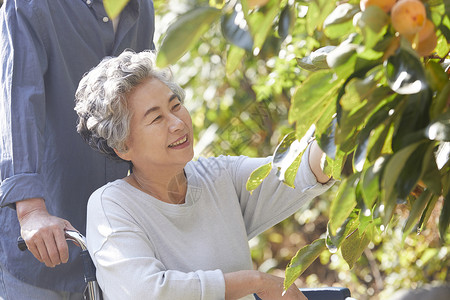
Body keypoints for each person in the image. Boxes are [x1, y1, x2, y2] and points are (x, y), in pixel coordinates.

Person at [74, 50, 335, 300]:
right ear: (123, 146)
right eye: (156, 119)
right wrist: (257, 282)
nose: (177, 123)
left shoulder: (220, 177)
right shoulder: (111, 205)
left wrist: (352, 113)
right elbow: (146, 293)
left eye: (175, 106)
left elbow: (302, 169)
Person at [0, 0, 155, 299]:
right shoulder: (30, 6)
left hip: (113, 250)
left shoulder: (141, 8)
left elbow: (140, 103)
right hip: (39, 248)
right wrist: (31, 209)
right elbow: (17, 99)